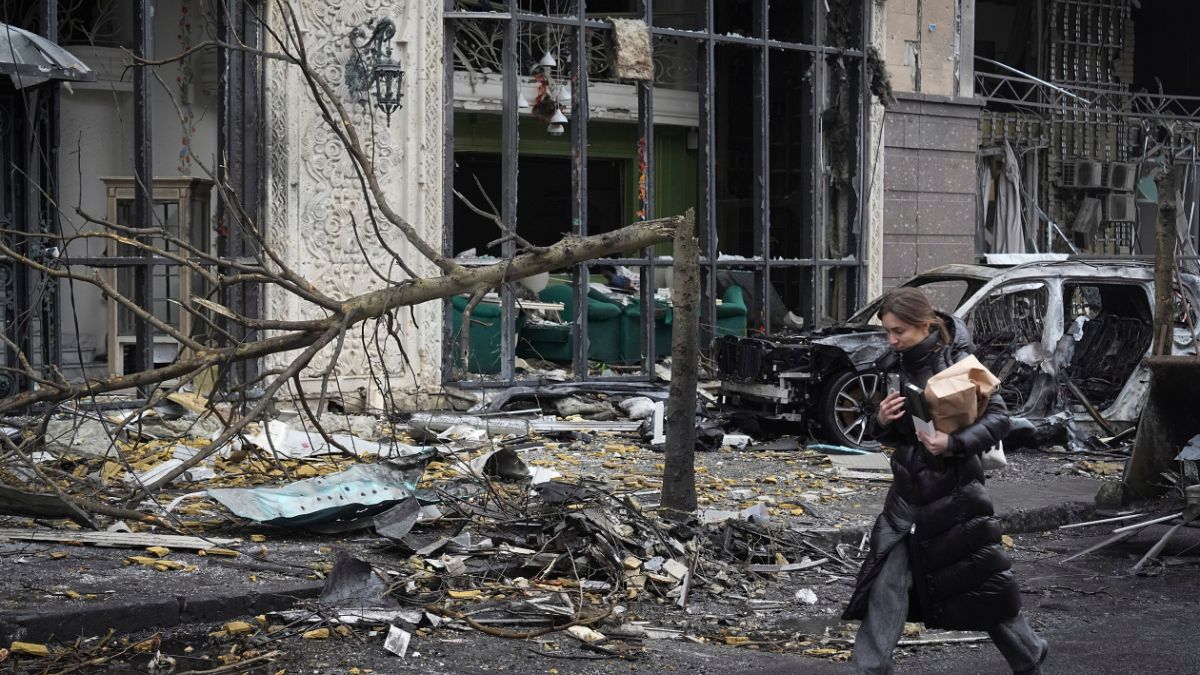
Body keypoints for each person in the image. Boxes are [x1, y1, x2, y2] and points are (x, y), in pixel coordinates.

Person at [843, 287, 1048, 675]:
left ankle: (1029, 654)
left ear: (924, 326)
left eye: (898, 331)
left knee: (979, 588)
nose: (891, 340)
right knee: (885, 584)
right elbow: (891, 433)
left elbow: (1001, 419)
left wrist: (951, 442)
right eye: (887, 331)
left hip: (954, 501)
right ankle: (869, 669)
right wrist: (882, 421)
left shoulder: (959, 361)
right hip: (905, 499)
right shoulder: (894, 365)